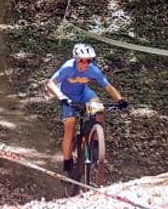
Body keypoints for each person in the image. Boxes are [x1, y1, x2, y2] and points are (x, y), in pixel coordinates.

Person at [46, 43, 127, 175]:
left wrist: (120, 100)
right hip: (67, 96)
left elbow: (108, 86)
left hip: (83, 93)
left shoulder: (93, 70)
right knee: (70, 127)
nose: (85, 64)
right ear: (76, 59)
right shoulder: (68, 67)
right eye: (82, 61)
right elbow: (50, 83)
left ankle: (94, 141)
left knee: (98, 108)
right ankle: (67, 164)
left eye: (88, 61)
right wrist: (60, 96)